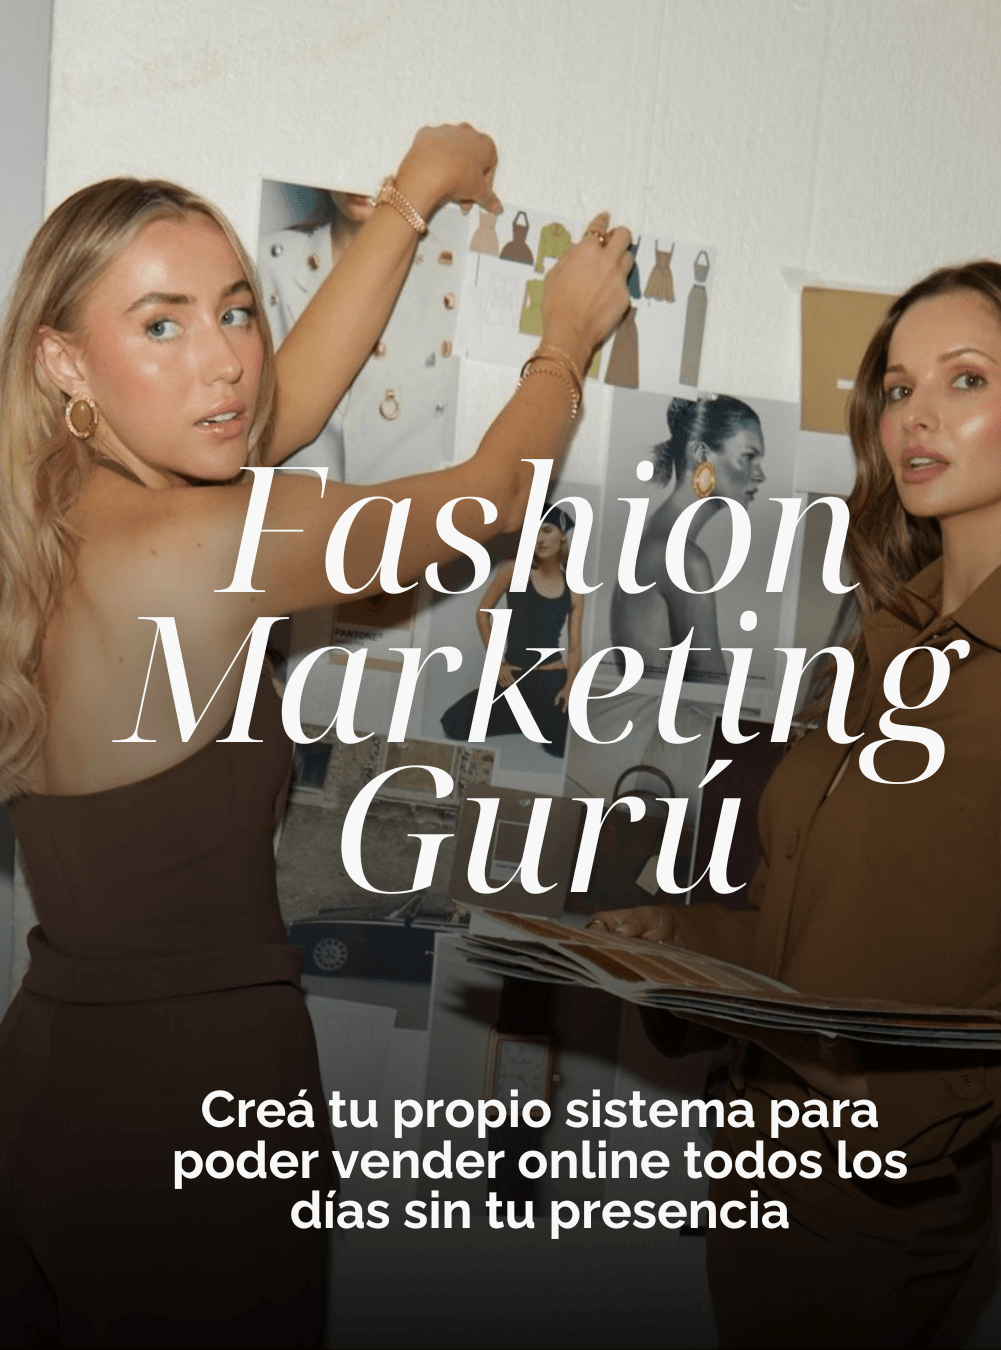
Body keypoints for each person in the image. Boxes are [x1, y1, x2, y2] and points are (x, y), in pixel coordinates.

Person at [0, 122, 631, 1346]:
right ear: (66, 360)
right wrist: (566, 339)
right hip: (193, 1104)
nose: (225, 363)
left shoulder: (53, 508)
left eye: (236, 311)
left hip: (46, 1083)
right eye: (162, 325)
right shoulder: (212, 542)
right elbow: (490, 498)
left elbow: (273, 406)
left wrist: (412, 198)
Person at [589, 260, 1001, 1348]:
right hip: (760, 1172)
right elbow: (819, 927)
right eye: (898, 389)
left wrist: (878, 1105)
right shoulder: (886, 632)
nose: (916, 416)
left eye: (964, 380)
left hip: (874, 1205)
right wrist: (677, 939)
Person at [259, 185, 461, 482]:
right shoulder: (270, 261)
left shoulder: (454, 274)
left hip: (412, 506)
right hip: (289, 504)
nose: (362, 185)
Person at [609, 393, 766, 681]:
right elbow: (714, 696)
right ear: (701, 455)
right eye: (748, 457)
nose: (760, 475)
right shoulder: (680, 558)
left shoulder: (653, 536)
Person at [440, 504, 584, 758]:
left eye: (547, 530)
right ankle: (527, 718)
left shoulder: (574, 588)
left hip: (552, 679)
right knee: (454, 723)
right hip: (514, 677)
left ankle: (535, 717)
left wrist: (570, 685)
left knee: (558, 748)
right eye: (534, 532)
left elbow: (574, 647)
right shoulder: (514, 569)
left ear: (562, 536)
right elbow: (482, 613)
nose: (539, 539)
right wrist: (497, 664)